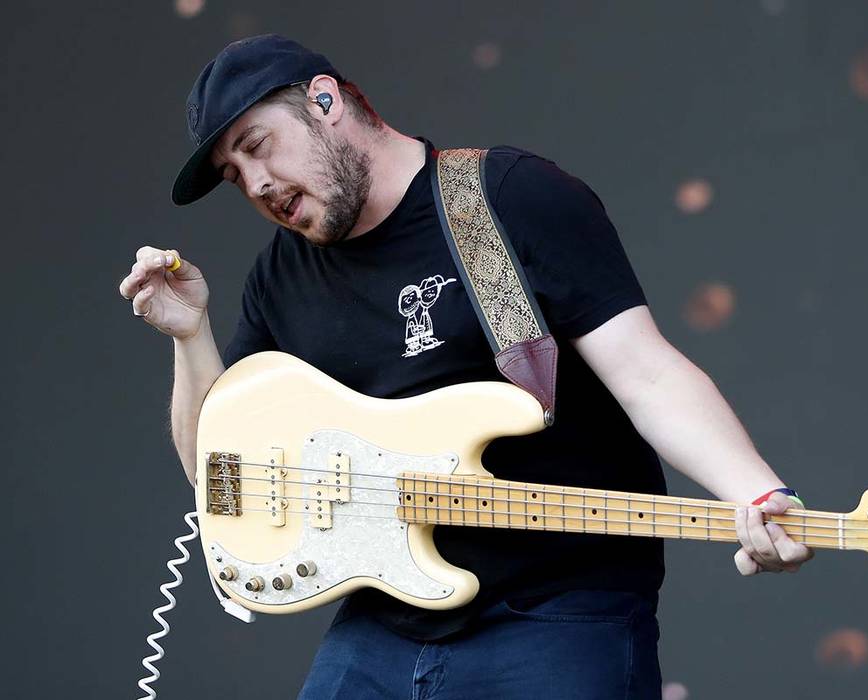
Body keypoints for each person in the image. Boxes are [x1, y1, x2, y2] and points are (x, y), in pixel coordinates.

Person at [118, 35, 812, 699]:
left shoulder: (504, 200)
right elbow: (223, 477)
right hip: (384, 622)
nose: (258, 184)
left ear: (325, 100)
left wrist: (757, 497)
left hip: (558, 614)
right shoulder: (281, 277)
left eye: (257, 147)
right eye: (235, 177)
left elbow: (647, 374)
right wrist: (189, 337)